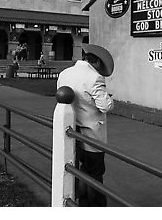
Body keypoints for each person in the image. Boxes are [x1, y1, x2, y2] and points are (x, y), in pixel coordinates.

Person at [57, 43, 115, 207]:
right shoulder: (95, 78)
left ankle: (79, 202)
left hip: (72, 131)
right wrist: (110, 99)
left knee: (76, 170)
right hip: (91, 135)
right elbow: (105, 106)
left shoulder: (64, 74)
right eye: (100, 66)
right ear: (96, 63)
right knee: (95, 173)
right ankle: (95, 207)